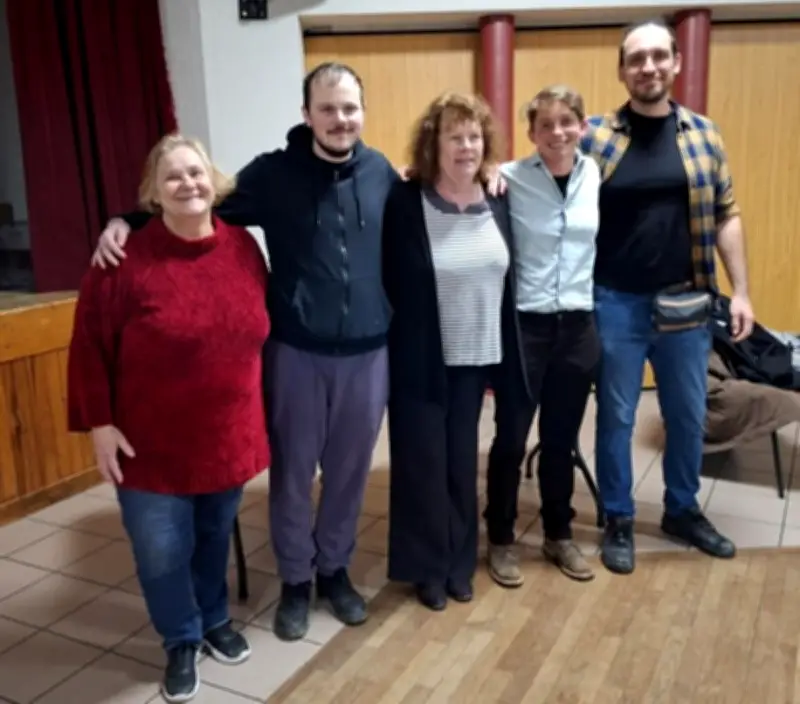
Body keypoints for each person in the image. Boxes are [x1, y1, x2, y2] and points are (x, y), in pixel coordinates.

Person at [89, 62, 399, 641]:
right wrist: (125, 222)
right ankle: (297, 582)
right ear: (306, 114)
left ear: (362, 113)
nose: (340, 119)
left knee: (351, 475)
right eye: (327, 109)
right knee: (291, 477)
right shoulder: (272, 175)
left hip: (368, 353)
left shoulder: (382, 172)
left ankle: (334, 570)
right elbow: (198, 204)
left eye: (350, 108)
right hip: (296, 352)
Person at [67, 134, 269, 703]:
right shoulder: (122, 260)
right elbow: (88, 348)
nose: (189, 184)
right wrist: (99, 425)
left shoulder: (243, 248)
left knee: (211, 538)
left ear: (215, 180)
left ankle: (212, 619)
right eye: (174, 176)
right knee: (160, 550)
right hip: (148, 445)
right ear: (153, 192)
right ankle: (180, 637)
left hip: (226, 437)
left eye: (196, 172)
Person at [582, 19, 754, 575]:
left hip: (688, 303)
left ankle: (682, 510)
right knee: (617, 417)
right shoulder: (596, 136)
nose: (648, 67)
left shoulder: (705, 134)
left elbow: (727, 213)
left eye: (659, 56)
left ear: (676, 62)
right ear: (622, 70)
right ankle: (618, 517)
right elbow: (542, 177)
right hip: (614, 302)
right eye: (637, 58)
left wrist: (743, 292)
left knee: (688, 413)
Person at [382, 92, 528, 611]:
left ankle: (460, 563)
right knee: (422, 466)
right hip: (420, 358)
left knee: (461, 465)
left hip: (477, 358)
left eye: (473, 136)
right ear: (434, 143)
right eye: (454, 136)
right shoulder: (405, 199)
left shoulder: (501, 198)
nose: (466, 146)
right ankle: (427, 568)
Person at [484, 85, 602, 586]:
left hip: (577, 327)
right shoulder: (508, 176)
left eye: (566, 121)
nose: (557, 132)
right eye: (545, 124)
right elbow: (450, 174)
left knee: (561, 440)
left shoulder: (595, 174)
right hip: (525, 328)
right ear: (531, 133)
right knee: (510, 439)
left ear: (582, 126)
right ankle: (502, 539)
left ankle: (559, 534)